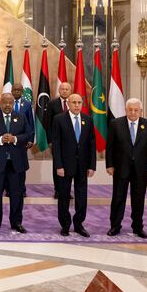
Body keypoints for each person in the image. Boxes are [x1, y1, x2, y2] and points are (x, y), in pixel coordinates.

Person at [106, 98, 147, 238]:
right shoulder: (115, 124)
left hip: (141, 170)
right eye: (130, 109)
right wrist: (109, 165)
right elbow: (110, 147)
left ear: (141, 111)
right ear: (126, 110)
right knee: (118, 198)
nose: (133, 112)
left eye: (136, 110)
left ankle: (138, 227)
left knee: (138, 199)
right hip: (120, 168)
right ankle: (115, 226)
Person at [0, 93, 33, 233]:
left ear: (13, 103)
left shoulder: (21, 117)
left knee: (17, 195)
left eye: (10, 102)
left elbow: (28, 134)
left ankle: (16, 222)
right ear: (0, 102)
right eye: (5, 102)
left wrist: (15, 139)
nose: (7, 104)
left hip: (16, 164)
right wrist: (0, 139)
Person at [51, 93, 96, 237]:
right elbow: (56, 144)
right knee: (64, 196)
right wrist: (58, 165)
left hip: (82, 166)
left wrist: (92, 165)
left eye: (79, 102)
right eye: (74, 102)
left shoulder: (88, 120)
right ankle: (65, 225)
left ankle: (79, 224)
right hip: (64, 166)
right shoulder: (59, 119)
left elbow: (91, 144)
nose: (77, 105)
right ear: (68, 104)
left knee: (81, 196)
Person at [45, 82, 71, 199]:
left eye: (67, 89)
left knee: (70, 167)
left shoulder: (73, 103)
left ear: (70, 91)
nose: (64, 91)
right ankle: (57, 190)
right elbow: (47, 123)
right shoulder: (52, 104)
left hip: (70, 142)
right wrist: (50, 141)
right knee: (57, 165)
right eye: (62, 89)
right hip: (56, 141)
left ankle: (67, 191)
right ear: (59, 90)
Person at [11, 82, 34, 198]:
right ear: (11, 90)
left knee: (21, 166)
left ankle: (21, 189)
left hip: (22, 141)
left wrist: (30, 139)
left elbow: (31, 123)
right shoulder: (7, 103)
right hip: (8, 140)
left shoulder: (27, 104)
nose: (16, 92)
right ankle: (9, 189)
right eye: (14, 90)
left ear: (22, 92)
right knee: (9, 166)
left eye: (19, 90)